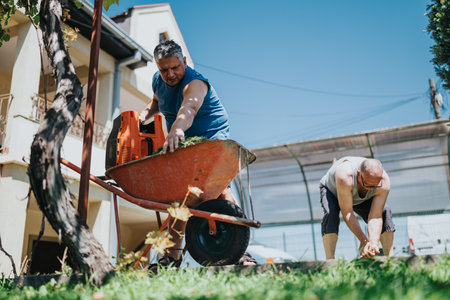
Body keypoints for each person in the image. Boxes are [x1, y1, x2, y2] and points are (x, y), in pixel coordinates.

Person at [139, 40, 255, 266]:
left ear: (184, 61)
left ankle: (240, 253)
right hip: (185, 146)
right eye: (164, 69)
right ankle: (170, 259)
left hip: (212, 140)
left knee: (220, 189)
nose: (170, 74)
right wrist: (144, 114)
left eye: (175, 67)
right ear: (157, 67)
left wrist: (177, 129)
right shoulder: (158, 81)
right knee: (180, 197)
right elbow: (157, 101)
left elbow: (188, 108)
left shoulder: (196, 83)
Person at [319, 156, 395, 259]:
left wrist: (373, 243)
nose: (371, 189)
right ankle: (330, 261)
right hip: (334, 191)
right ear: (359, 174)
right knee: (330, 213)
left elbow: (376, 215)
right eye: (367, 184)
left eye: (375, 186)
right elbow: (347, 212)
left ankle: (390, 259)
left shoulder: (384, 181)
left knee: (385, 211)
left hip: (358, 197)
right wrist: (363, 240)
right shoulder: (345, 175)